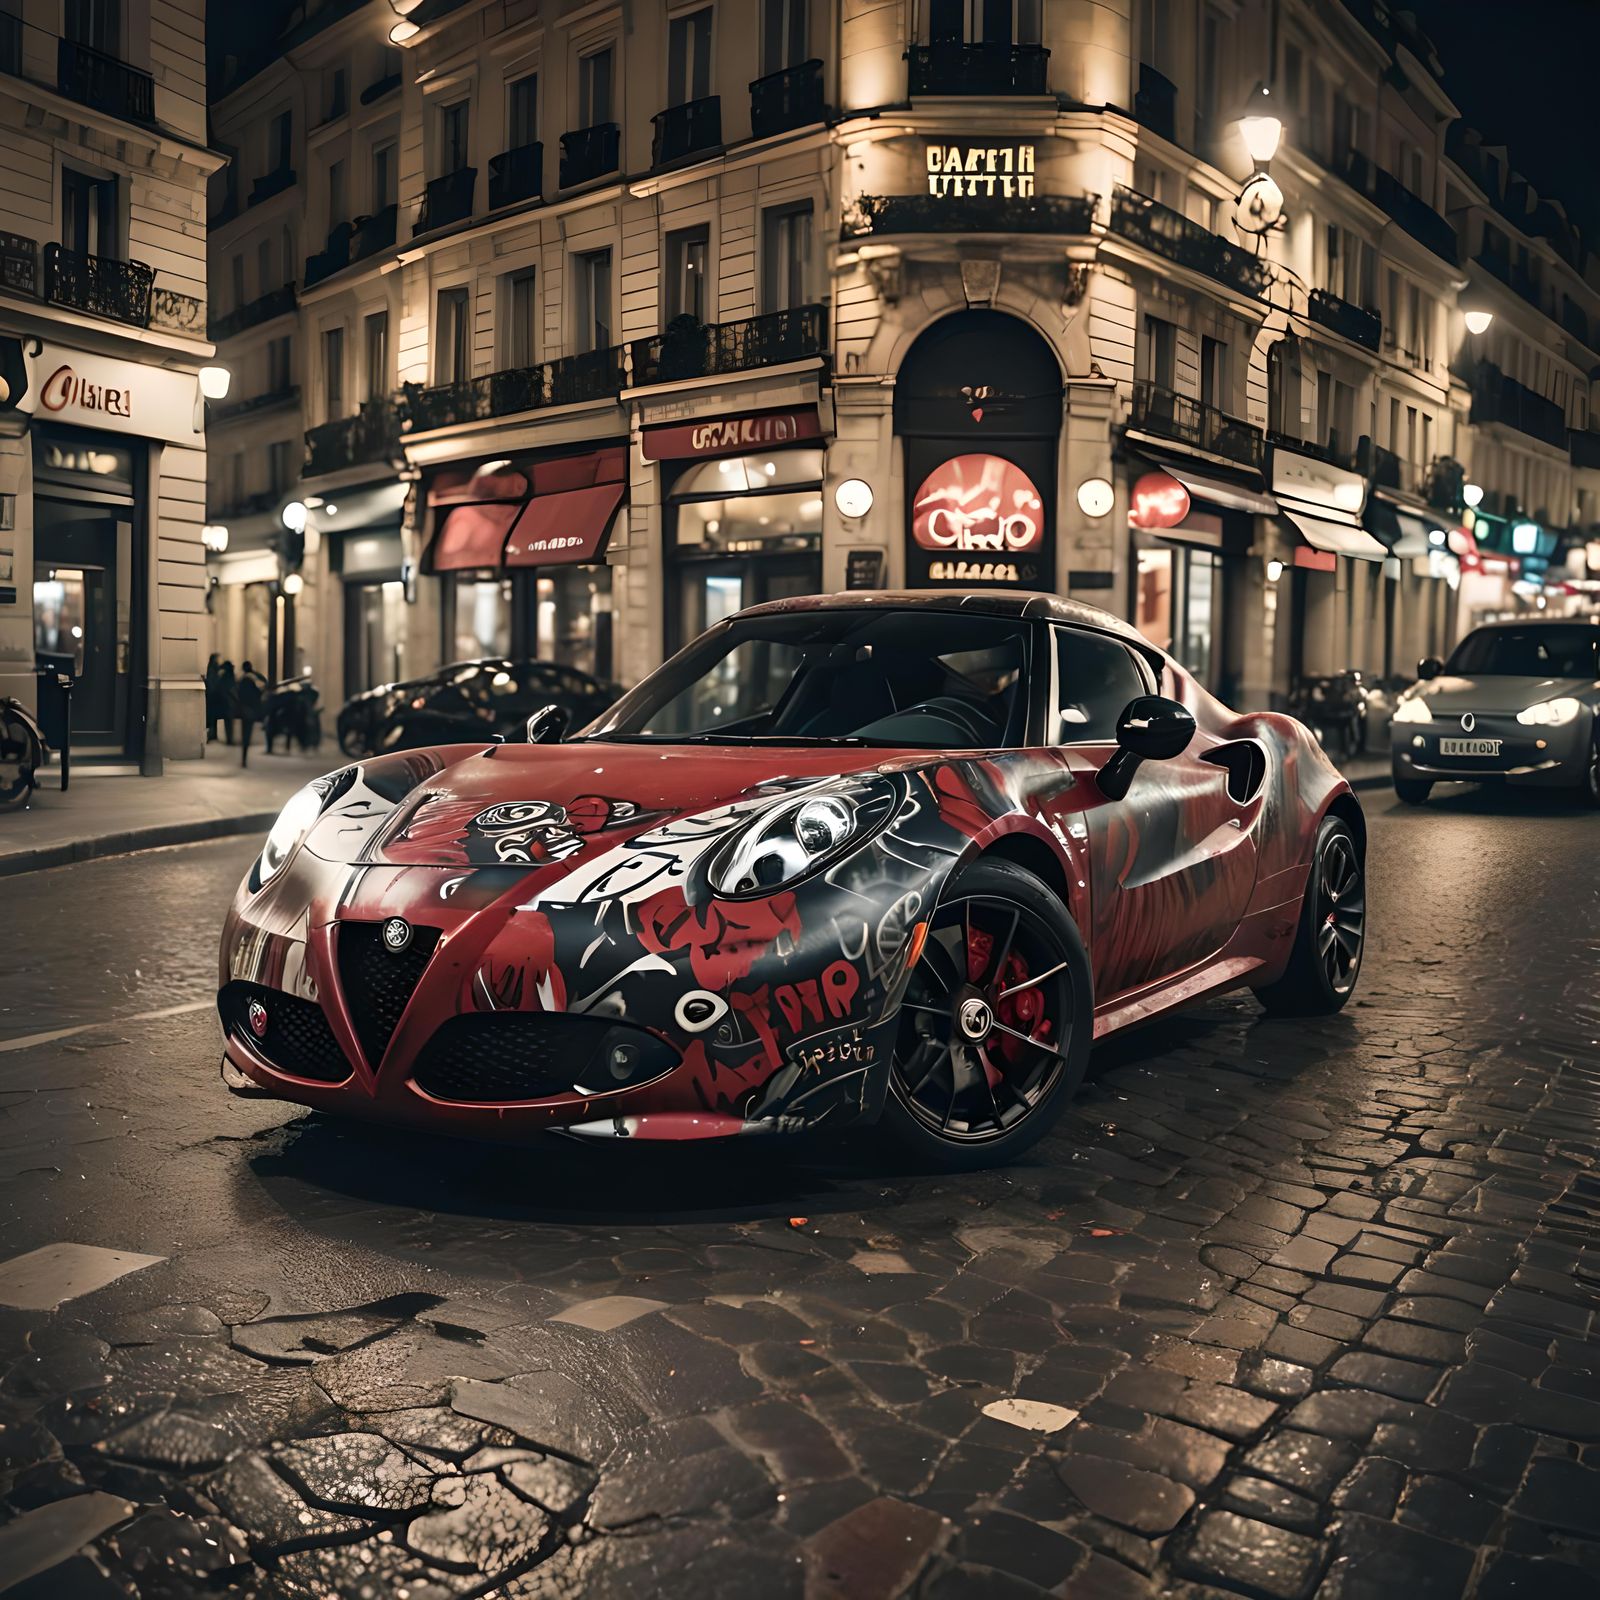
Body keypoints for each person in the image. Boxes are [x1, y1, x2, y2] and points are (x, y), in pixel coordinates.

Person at [236, 661, 266, 767]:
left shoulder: (242, 680)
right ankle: (244, 758)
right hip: (252, 710)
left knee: (245, 734)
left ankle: (244, 758)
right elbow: (263, 687)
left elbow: (238, 695)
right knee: (247, 734)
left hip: (244, 710)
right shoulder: (255, 678)